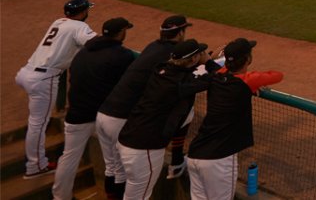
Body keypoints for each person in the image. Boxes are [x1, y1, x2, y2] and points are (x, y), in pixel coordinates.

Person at [97, 15, 193, 196]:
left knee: (113, 171)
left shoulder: (153, 47)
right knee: (132, 185)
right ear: (180, 33)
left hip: (104, 114)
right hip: (120, 120)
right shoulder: (171, 55)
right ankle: (177, 159)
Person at [118, 39, 218, 198]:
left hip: (128, 139)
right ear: (192, 59)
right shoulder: (180, 83)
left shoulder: (162, 69)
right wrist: (209, 62)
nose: (202, 55)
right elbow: (219, 79)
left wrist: (198, 63)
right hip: (144, 148)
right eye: (199, 54)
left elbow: (185, 74)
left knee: (131, 192)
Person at [186, 38, 284, 200]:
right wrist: (252, 83)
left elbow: (223, 71)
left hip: (195, 154)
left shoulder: (215, 77)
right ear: (248, 59)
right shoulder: (247, 80)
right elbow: (277, 75)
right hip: (218, 159)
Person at [52, 18, 137, 200]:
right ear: (121, 32)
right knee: (118, 164)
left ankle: (60, 197)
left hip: (76, 114)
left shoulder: (82, 53)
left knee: (69, 157)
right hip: (104, 117)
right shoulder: (121, 55)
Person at [15, 0, 96, 179]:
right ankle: (35, 166)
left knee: (36, 121)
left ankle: (35, 162)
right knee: (38, 124)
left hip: (26, 72)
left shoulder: (58, 22)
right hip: (43, 79)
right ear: (83, 13)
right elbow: (96, 44)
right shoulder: (79, 26)